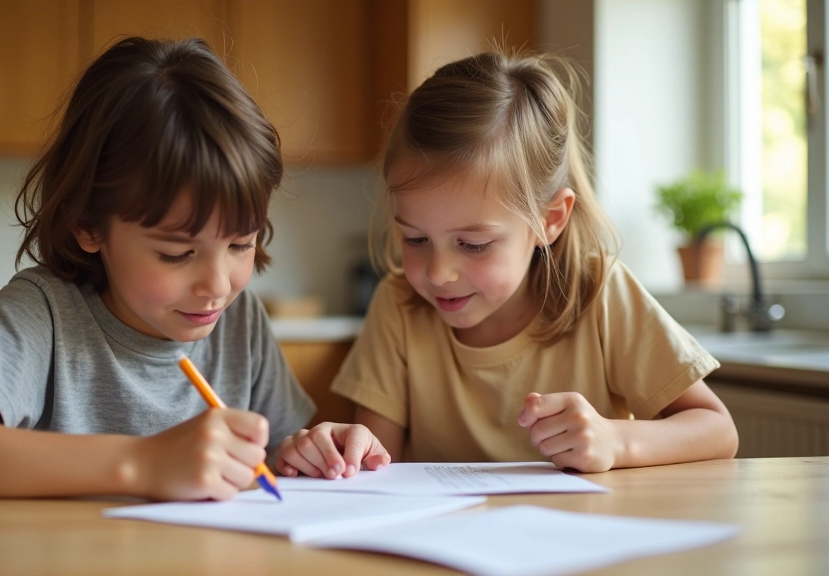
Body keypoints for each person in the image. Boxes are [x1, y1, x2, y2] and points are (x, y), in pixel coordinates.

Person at [0, 36, 385, 501]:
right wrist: (144, 463)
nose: (218, 287)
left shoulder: (239, 321)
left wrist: (310, 450)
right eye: (176, 253)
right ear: (87, 225)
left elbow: (275, 459)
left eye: (241, 244)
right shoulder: (45, 314)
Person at [278, 49, 738, 476]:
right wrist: (351, 449)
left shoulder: (598, 292)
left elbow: (718, 430)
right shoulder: (398, 306)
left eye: (474, 244)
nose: (438, 273)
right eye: (415, 238)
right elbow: (379, 463)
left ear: (549, 220)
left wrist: (617, 441)